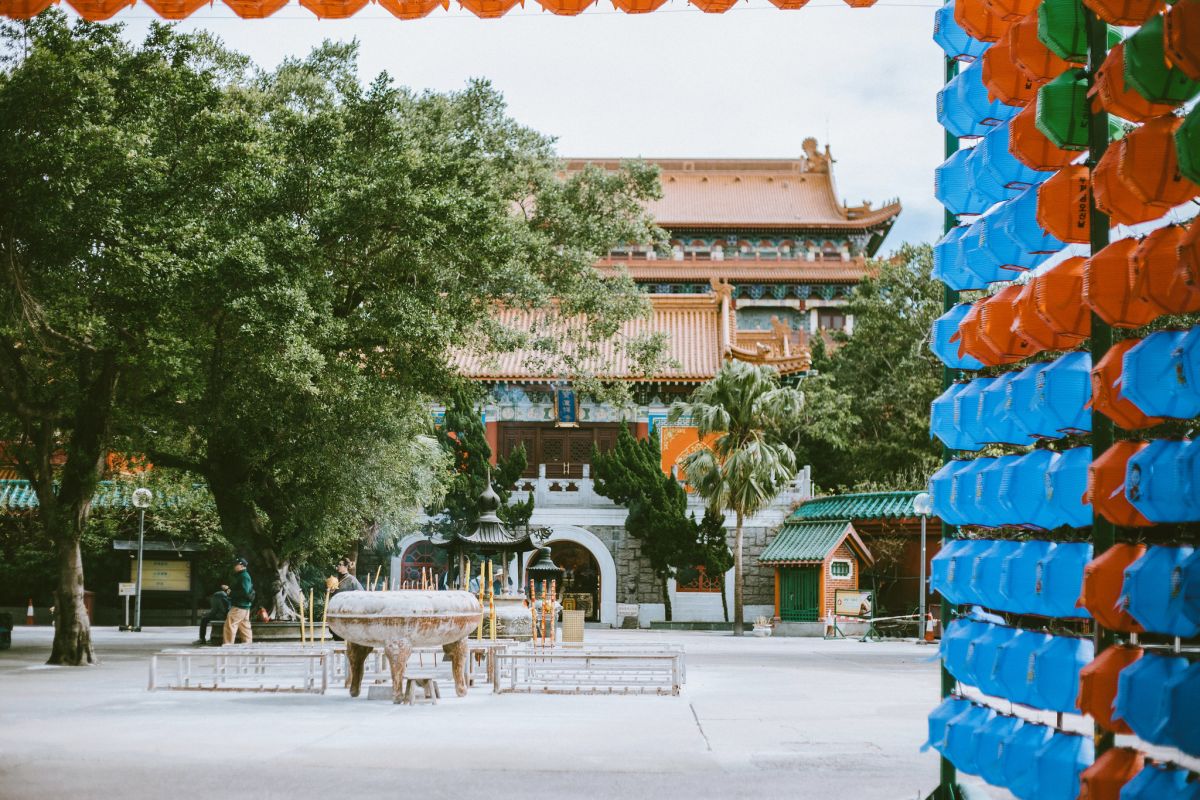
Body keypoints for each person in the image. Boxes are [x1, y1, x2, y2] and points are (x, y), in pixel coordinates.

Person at [223, 558, 254, 645]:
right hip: (244, 606)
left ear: (241, 566)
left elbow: (245, 592)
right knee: (245, 627)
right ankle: (248, 645)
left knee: (230, 625)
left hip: (239, 606)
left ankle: (228, 645)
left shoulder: (243, 576)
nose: (234, 566)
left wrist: (230, 592)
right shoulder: (243, 575)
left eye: (236, 564)